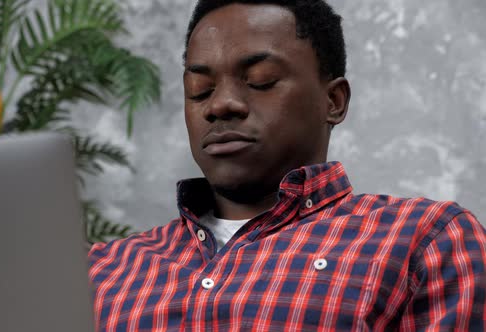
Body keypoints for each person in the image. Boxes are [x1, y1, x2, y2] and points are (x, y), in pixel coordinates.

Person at [88, 0, 486, 330]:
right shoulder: (102, 270)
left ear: (333, 102)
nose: (220, 104)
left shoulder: (425, 241)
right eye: (200, 90)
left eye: (260, 81)